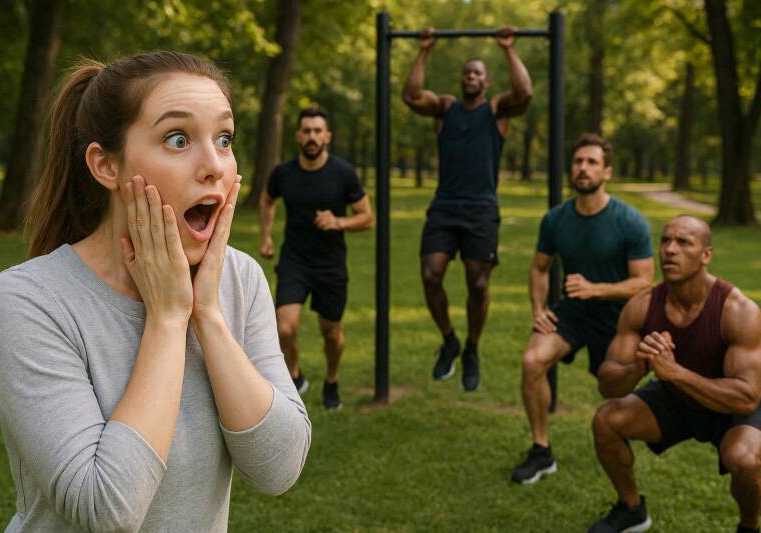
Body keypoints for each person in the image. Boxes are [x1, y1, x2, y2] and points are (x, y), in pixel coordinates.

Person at [0, 51, 311, 532]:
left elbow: (279, 469)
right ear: (106, 166)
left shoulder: (239, 279)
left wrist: (209, 316)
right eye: (178, 139)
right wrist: (168, 318)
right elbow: (106, 509)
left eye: (224, 138)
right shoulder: (28, 301)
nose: (214, 165)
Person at [590, 215, 761, 533]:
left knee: (746, 459)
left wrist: (676, 373)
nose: (670, 250)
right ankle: (632, 510)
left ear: (706, 255)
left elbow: (746, 396)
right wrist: (637, 367)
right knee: (606, 420)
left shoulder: (739, 311)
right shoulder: (641, 306)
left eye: (684, 243)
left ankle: (749, 526)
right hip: (677, 399)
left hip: (731, 407)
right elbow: (607, 382)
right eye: (666, 241)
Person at [510, 134, 654, 484]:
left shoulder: (630, 221)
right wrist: (537, 309)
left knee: (615, 394)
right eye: (578, 162)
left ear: (607, 172)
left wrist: (596, 289)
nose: (583, 168)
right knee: (533, 361)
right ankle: (541, 451)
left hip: (618, 318)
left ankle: (622, 446)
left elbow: (644, 282)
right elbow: (539, 268)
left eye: (591, 162)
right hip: (572, 312)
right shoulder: (556, 219)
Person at [401, 27, 532, 391]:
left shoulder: (496, 111)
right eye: (466, 73)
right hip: (444, 207)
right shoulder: (445, 109)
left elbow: (525, 93)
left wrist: (508, 49)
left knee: (477, 283)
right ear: (462, 81)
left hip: (481, 210)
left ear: (487, 82)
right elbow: (411, 95)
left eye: (477, 73)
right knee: (431, 276)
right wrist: (424, 50)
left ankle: (472, 348)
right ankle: (450, 339)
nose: (470, 77)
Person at [259, 107, 372, 409]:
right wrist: (266, 235)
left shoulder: (343, 173)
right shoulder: (283, 174)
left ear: (327, 136)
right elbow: (267, 199)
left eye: (317, 131)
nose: (312, 136)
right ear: (298, 136)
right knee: (285, 328)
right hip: (294, 261)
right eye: (306, 131)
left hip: (330, 266)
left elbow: (367, 217)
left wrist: (339, 222)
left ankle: (332, 379)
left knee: (331, 333)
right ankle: (294, 377)